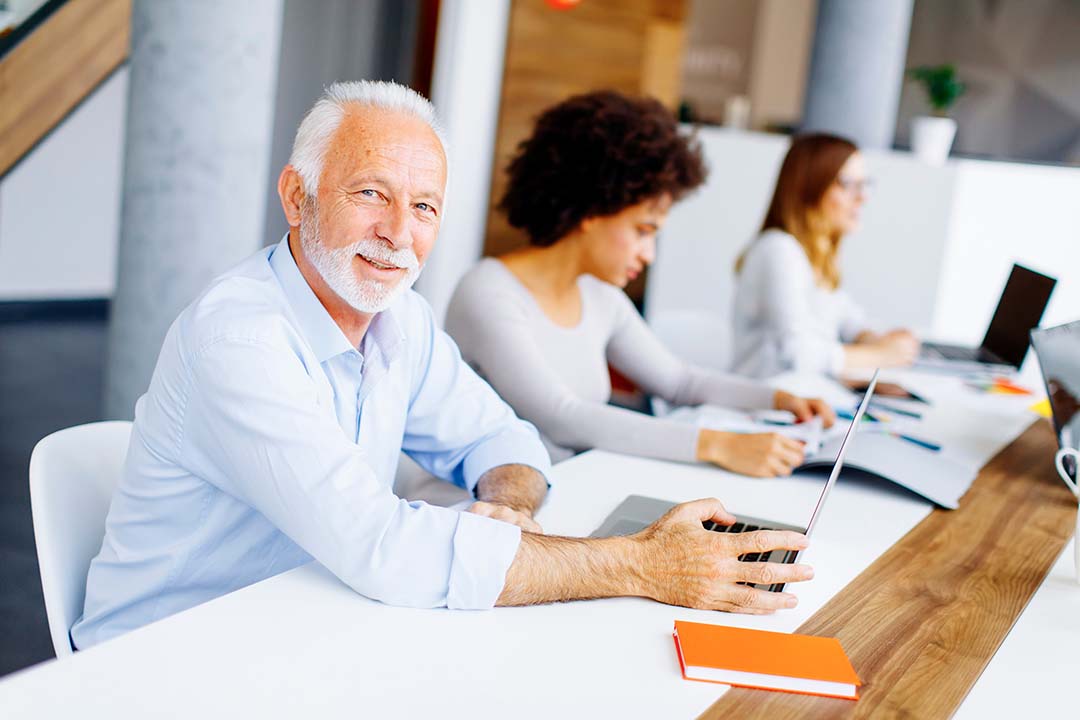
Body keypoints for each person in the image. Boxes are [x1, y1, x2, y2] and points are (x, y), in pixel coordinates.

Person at [72, 82, 812, 649]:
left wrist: (509, 512)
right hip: (164, 664)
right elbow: (380, 547)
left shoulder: (403, 318)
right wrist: (641, 565)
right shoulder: (240, 340)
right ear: (298, 198)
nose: (399, 233)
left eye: (424, 207)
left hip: (305, 626)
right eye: (371, 193)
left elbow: (506, 440)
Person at [446, 91, 833, 477]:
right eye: (642, 231)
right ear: (592, 209)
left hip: (567, 487)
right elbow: (562, 417)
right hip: (476, 505)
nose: (649, 254)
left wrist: (778, 399)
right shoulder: (488, 292)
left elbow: (680, 382)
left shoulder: (599, 295)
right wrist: (716, 444)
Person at [731, 133, 920, 379]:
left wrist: (876, 340)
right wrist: (882, 355)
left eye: (864, 185)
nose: (862, 197)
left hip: (803, 398)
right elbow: (798, 354)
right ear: (810, 186)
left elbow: (846, 318)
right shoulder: (778, 250)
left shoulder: (815, 254)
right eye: (847, 184)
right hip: (764, 405)